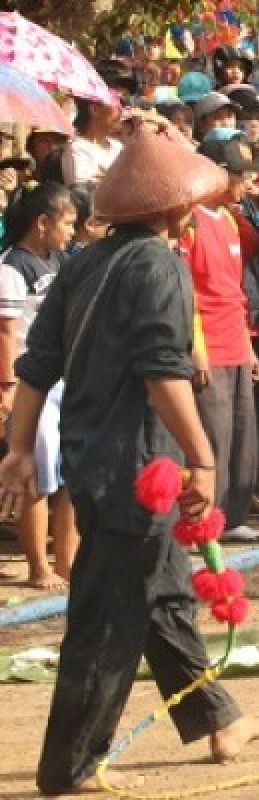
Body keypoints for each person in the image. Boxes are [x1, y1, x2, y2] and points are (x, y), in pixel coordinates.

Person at [0, 119, 259, 795]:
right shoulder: (158, 264)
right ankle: (69, 766)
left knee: (163, 595)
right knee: (108, 616)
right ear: (178, 207)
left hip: (94, 458)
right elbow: (162, 371)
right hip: (137, 467)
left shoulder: (87, 261)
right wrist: (203, 457)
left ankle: (218, 718)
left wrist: (18, 449)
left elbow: (38, 363)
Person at [181, 139, 259, 543]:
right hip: (208, 342)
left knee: (241, 435)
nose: (247, 184)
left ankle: (232, 517)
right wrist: (195, 344)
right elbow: (187, 291)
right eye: (240, 175)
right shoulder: (190, 222)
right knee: (212, 436)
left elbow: (235, 289)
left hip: (236, 339)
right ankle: (205, 523)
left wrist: (248, 346)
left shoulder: (232, 221)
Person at [0, 182, 78, 588]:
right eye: (66, 223)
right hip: (30, 384)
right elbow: (6, 332)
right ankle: (38, 567)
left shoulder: (59, 261)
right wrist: (6, 386)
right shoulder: (12, 267)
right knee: (36, 471)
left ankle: (67, 560)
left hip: (62, 379)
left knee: (68, 474)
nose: (71, 231)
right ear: (43, 223)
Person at [62, 100, 122, 188]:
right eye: (116, 105)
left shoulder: (118, 146)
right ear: (94, 110)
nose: (121, 111)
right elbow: (85, 194)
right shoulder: (76, 149)